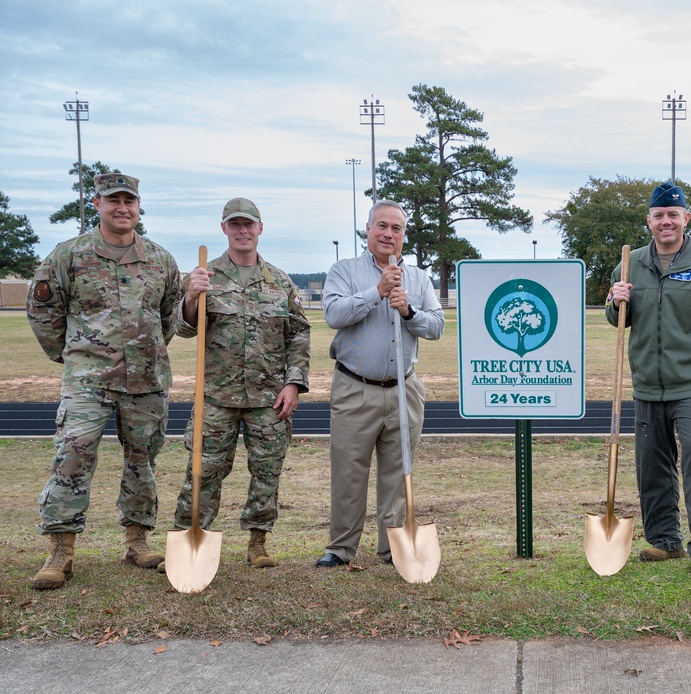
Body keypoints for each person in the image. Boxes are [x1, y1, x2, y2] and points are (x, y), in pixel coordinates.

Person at [25, 172, 182, 590]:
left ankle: (136, 541)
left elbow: (168, 317)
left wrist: (143, 350)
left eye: (129, 200)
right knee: (72, 460)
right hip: (88, 382)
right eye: (113, 200)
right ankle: (61, 550)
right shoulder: (69, 255)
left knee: (142, 464)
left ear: (138, 205)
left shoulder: (161, 259)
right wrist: (73, 355)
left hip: (146, 381)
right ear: (97, 204)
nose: (122, 208)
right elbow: (43, 311)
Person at [164, 198, 310, 569]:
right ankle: (187, 541)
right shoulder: (204, 276)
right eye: (234, 224)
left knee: (266, 471)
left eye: (249, 224)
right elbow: (182, 329)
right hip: (216, 395)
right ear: (224, 229)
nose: (242, 231)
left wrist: (293, 383)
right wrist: (192, 296)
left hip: (268, 396)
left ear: (260, 229)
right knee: (202, 471)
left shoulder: (279, 281)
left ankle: (257, 544)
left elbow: (298, 335)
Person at [606, 181, 691, 577]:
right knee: (651, 465)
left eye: (673, 214)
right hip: (648, 385)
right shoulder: (630, 263)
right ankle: (665, 540)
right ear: (649, 220)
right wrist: (616, 302)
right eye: (659, 215)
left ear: (686, 218)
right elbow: (617, 321)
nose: (666, 221)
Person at [316, 199, 444, 567]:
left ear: (404, 236)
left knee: (397, 470)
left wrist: (408, 311)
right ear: (368, 230)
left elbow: (436, 326)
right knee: (349, 471)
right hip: (356, 387)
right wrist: (377, 291)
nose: (389, 234)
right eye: (382, 226)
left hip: (404, 388)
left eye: (397, 228)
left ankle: (393, 547)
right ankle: (341, 549)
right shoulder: (344, 270)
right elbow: (333, 315)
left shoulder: (419, 278)